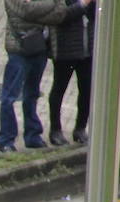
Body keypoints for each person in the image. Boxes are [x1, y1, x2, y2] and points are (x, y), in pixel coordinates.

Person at [0, 0, 72, 152]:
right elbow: (27, 10)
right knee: (9, 97)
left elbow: (59, 14)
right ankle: (6, 140)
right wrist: (50, 4)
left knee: (32, 94)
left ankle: (33, 135)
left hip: (39, 49)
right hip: (18, 50)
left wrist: (38, 10)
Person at [46, 0, 94, 145]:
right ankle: (55, 130)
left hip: (87, 49)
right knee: (59, 89)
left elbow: (96, 16)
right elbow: (59, 16)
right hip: (65, 50)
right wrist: (82, 5)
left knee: (86, 90)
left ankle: (80, 128)